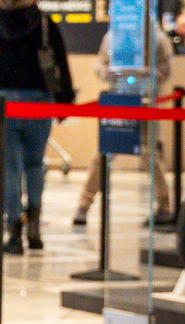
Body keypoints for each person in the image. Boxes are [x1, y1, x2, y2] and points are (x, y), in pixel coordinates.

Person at [0, 0, 73, 253]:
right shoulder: (43, 23)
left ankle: (14, 230)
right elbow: (60, 61)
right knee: (34, 164)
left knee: (9, 167)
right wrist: (64, 99)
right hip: (38, 101)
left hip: (0, 103)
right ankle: (34, 226)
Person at [73, 18, 176, 229]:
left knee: (150, 156)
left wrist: (138, 73)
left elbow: (165, 72)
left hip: (145, 102)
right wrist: (109, 71)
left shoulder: (157, 38)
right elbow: (99, 67)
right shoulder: (112, 36)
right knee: (102, 156)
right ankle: (83, 205)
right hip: (116, 102)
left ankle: (165, 206)